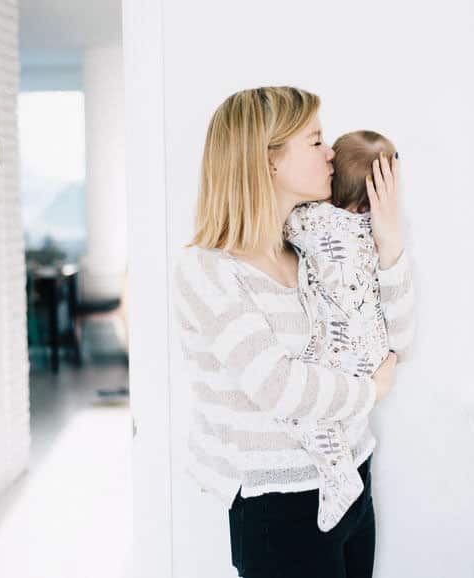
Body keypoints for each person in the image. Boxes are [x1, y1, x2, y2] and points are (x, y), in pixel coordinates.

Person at [171, 86, 414, 577]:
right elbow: (279, 388)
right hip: (280, 504)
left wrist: (390, 248)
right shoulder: (208, 271)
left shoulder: (310, 251)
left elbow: (395, 344)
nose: (331, 154)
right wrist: (370, 391)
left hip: (353, 478)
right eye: (315, 140)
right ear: (269, 162)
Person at [276, 128, 415, 534]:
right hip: (373, 351)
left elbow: (280, 227)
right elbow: (401, 340)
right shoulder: (379, 234)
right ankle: (340, 472)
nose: (327, 152)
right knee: (321, 410)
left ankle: (337, 475)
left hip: (339, 349)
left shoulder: (311, 220)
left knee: (305, 415)